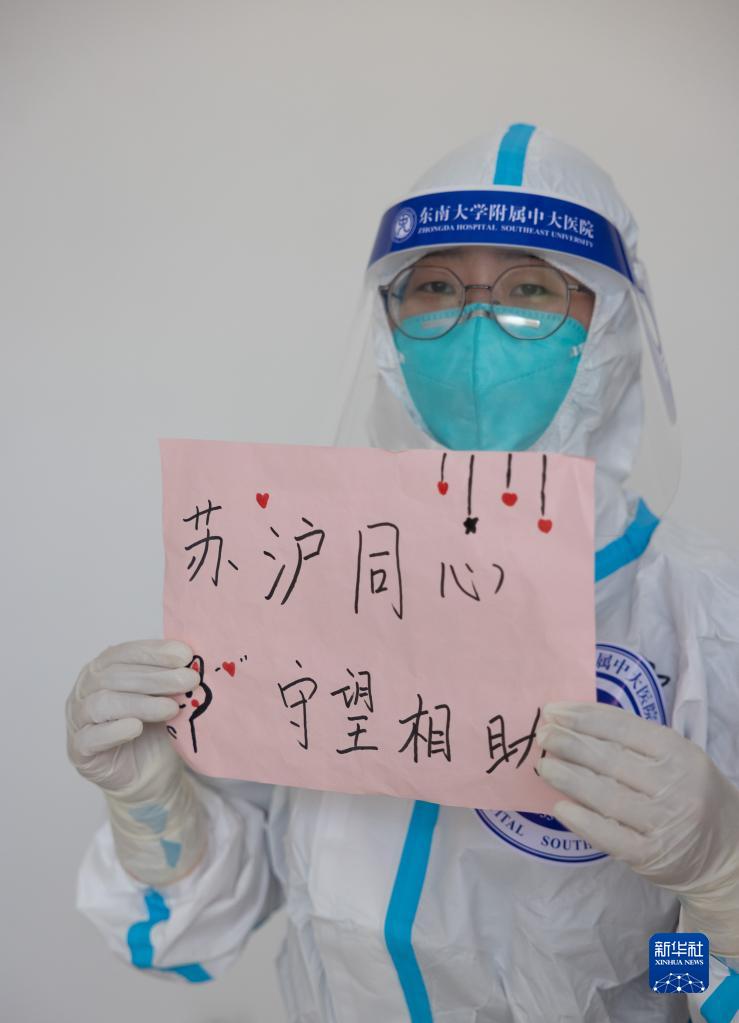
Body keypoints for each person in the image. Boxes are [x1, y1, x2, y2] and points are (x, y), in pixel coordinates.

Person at [67, 123, 739, 1022]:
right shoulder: (307, 571)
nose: (473, 330)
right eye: (434, 288)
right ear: (390, 323)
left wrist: (723, 888)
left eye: (530, 289)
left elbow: (684, 986)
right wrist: (155, 801)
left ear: (608, 321)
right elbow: (199, 922)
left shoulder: (700, 614)